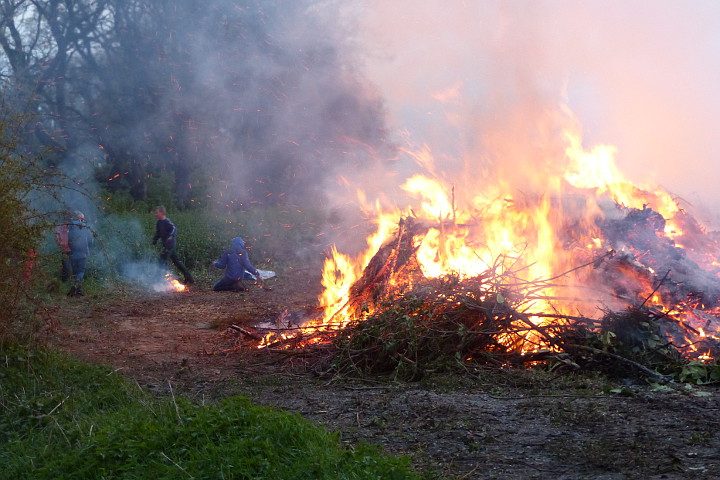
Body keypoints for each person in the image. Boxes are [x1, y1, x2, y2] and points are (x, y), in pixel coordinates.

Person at [151, 205, 194, 285]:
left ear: (162, 213)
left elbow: (174, 228)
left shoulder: (167, 222)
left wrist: (171, 236)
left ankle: (157, 280)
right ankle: (189, 278)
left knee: (161, 260)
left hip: (170, 245)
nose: (155, 214)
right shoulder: (159, 222)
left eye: (157, 212)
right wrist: (155, 239)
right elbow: (158, 232)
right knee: (177, 262)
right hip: (166, 245)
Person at [67, 211, 94, 297]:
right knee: (81, 271)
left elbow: (68, 239)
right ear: (80, 218)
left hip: (72, 252)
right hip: (82, 252)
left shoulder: (70, 226)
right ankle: (76, 286)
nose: (83, 220)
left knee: (75, 271)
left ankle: (78, 290)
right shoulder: (85, 227)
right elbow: (90, 240)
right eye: (82, 218)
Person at [54, 214, 73, 282]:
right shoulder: (59, 227)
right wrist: (61, 243)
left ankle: (71, 281)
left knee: (72, 266)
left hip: (73, 249)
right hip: (65, 250)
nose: (69, 222)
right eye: (68, 220)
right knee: (66, 266)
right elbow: (56, 238)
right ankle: (64, 281)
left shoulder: (72, 227)